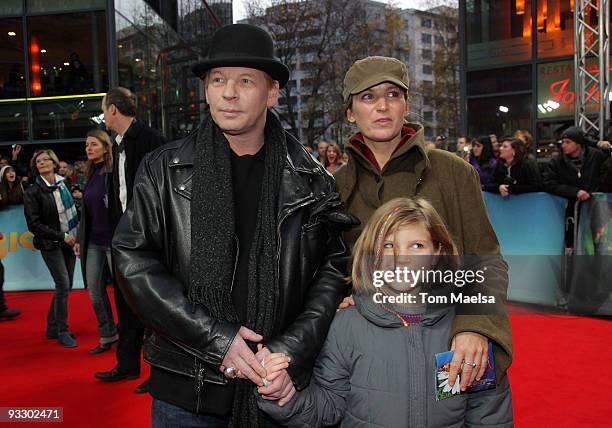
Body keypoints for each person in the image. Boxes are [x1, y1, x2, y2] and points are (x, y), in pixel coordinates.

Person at [112, 23, 353, 427]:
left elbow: (330, 275)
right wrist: (216, 340)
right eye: (218, 79)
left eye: (245, 80)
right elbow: (134, 261)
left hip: (277, 386)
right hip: (185, 388)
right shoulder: (162, 169)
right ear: (205, 89)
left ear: (272, 92)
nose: (228, 92)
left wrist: (287, 353)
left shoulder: (312, 181)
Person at [333, 56, 512, 391]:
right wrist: (339, 296)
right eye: (368, 97)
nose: (382, 105)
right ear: (349, 111)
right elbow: (330, 272)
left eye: (393, 94)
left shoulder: (453, 172)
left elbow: (486, 259)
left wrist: (475, 325)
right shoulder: (335, 186)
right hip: (368, 354)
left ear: (406, 105)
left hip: (444, 343)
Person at [259, 197, 514, 427]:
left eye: (416, 246)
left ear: (438, 253)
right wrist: (285, 395)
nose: (402, 258)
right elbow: (327, 405)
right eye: (389, 245)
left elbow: (488, 414)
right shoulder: (346, 325)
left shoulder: (465, 330)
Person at [94, 87, 166, 393]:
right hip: (123, 238)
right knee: (124, 303)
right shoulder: (115, 144)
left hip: (150, 239)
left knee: (154, 309)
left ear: (113, 109)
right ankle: (127, 365)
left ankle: (160, 374)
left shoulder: (152, 140)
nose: (102, 114)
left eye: (102, 108)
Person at [23, 149, 78, 347]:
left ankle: (52, 326)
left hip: (70, 240)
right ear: (35, 166)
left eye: (46, 159)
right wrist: (61, 236)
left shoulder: (64, 184)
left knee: (67, 285)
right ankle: (63, 330)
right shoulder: (32, 191)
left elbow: (71, 212)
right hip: (51, 244)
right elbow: (34, 224)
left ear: (54, 163)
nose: (43, 163)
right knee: (63, 285)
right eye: (38, 161)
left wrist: (74, 236)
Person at [74, 129, 118, 355]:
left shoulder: (114, 172)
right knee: (94, 292)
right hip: (93, 243)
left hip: (114, 242)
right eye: (86, 145)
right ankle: (108, 334)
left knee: (125, 294)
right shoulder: (90, 173)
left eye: (93, 144)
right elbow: (86, 213)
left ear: (105, 146)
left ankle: (136, 334)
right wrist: (80, 240)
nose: (88, 148)